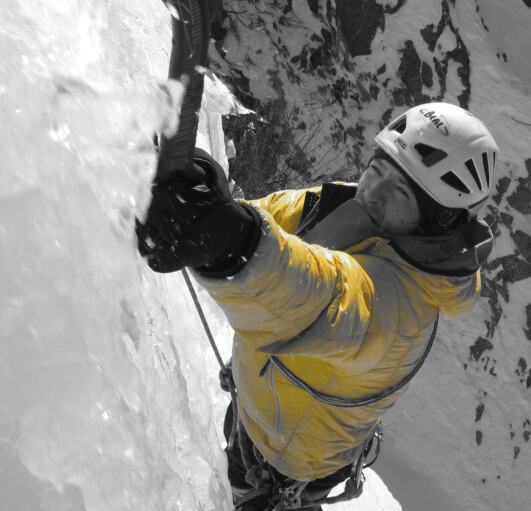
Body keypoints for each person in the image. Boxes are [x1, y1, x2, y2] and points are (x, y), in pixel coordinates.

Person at [137, 101, 499, 509]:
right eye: (376, 172)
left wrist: (231, 246)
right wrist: (201, 187)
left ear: (438, 224)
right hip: (259, 412)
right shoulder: (344, 208)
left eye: (399, 193)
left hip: (287, 466)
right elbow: (265, 223)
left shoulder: (404, 309)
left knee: (243, 483)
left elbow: (317, 296)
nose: (372, 195)